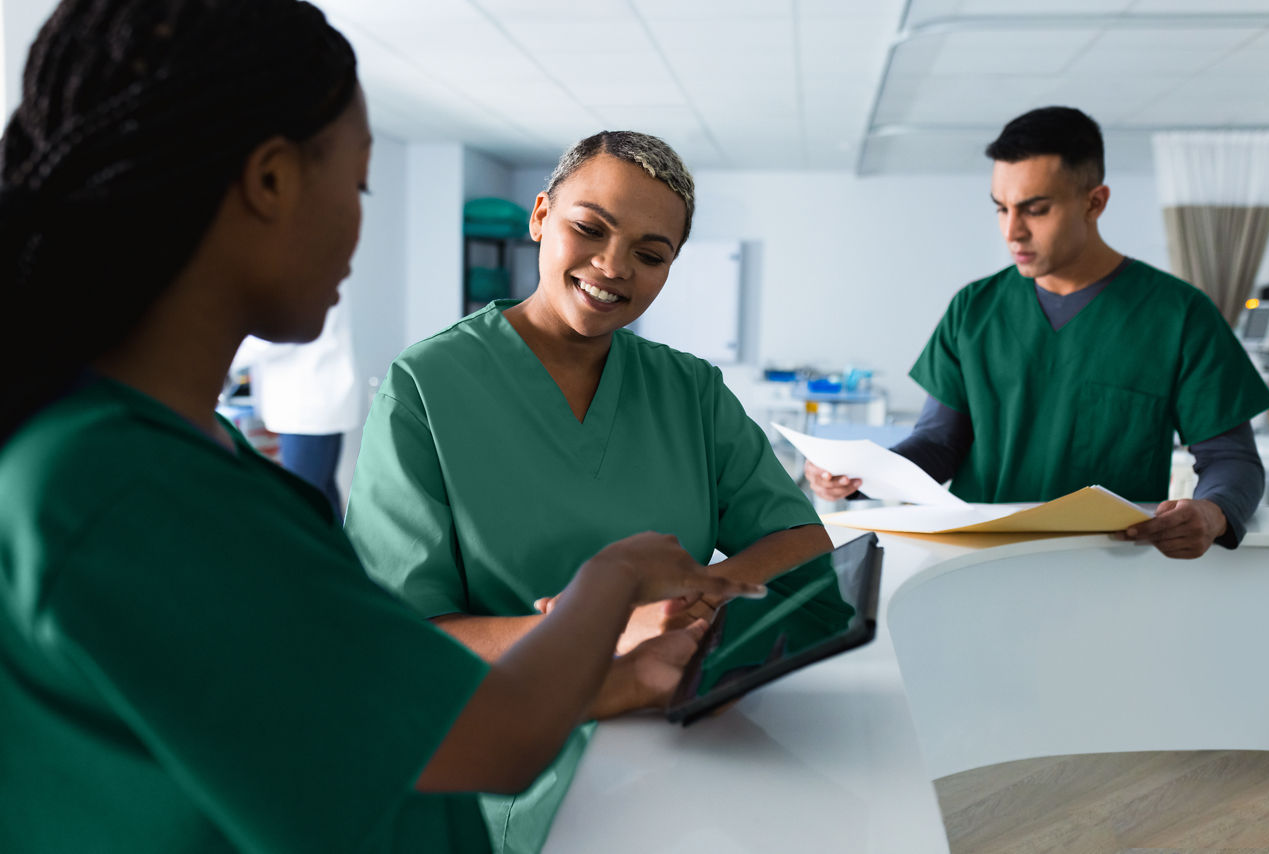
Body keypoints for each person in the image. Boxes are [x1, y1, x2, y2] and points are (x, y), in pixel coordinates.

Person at [0, 3, 765, 852]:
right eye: (361, 183)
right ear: (271, 182)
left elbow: (339, 713)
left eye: (651, 253)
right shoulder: (118, 492)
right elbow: (490, 736)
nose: (362, 228)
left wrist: (606, 681)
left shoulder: (177, 464)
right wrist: (614, 580)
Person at [345, 130, 832, 716]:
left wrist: (686, 601)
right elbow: (400, 635)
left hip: (677, 720)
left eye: (650, 255)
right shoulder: (427, 386)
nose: (612, 265)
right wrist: (601, 630)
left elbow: (801, 541)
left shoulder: (690, 390)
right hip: (507, 742)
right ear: (541, 217)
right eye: (589, 229)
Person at [807, 106, 1269, 560]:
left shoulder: (1179, 315)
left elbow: (1231, 458)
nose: (1012, 231)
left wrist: (1212, 513)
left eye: (1035, 209)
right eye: (1001, 208)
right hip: (974, 563)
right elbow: (938, 443)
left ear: (1095, 202)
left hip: (1108, 568)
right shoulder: (974, 309)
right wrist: (861, 476)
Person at [232, 293, 360, 517]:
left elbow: (282, 334)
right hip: (314, 402)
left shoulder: (308, 274)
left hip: (309, 407)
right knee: (321, 497)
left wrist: (225, 349)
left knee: (303, 503)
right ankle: (338, 552)